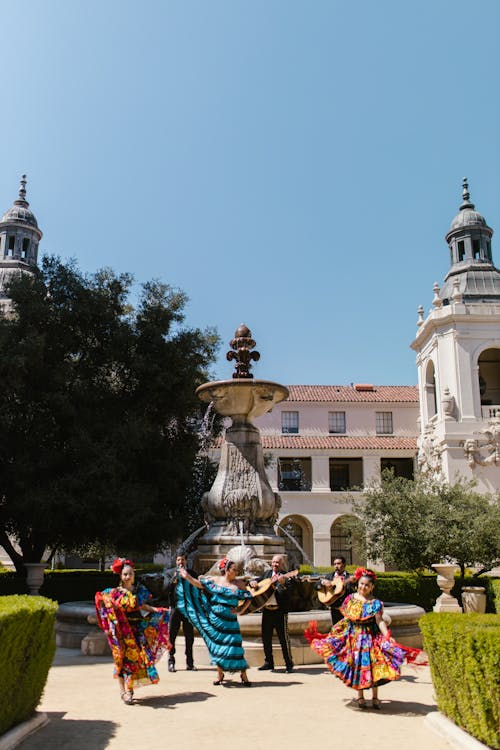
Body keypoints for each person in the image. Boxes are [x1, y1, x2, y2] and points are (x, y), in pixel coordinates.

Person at [306, 567, 411, 710]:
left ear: (372, 587)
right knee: (357, 666)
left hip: (370, 637)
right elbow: (346, 618)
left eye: (367, 585)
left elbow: (379, 621)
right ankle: (360, 697)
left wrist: (387, 635)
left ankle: (375, 697)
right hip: (354, 638)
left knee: (374, 666)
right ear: (358, 584)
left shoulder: (375, 603)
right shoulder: (350, 599)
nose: (364, 587)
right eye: (362, 584)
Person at [95, 557, 170, 705]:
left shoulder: (139, 591)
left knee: (137, 660)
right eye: (125, 574)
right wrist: (109, 624)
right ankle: (124, 692)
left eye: (130, 574)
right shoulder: (115, 593)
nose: (128, 577)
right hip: (121, 632)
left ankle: (129, 690)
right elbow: (105, 606)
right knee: (122, 661)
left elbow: (142, 606)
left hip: (137, 630)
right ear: (120, 576)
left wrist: (158, 610)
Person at [177, 557, 253, 686]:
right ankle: (219, 674)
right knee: (217, 647)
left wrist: (240, 609)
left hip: (230, 621)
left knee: (236, 647)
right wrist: (187, 576)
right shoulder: (215, 580)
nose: (237, 572)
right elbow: (199, 584)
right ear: (227, 570)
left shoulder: (239, 584)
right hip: (215, 620)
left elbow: (249, 598)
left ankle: (243, 674)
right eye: (234, 570)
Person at [252, 554, 295, 673]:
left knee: (284, 639)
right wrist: (253, 583)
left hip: (279, 612)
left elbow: (289, 594)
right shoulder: (266, 574)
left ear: (282, 564)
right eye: (273, 562)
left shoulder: (286, 577)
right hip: (267, 611)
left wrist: (281, 584)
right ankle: (268, 662)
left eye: (277, 562)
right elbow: (258, 581)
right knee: (266, 638)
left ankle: (289, 663)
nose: (275, 564)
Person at [162, 552, 197, 672]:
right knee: (172, 636)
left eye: (182, 560)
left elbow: (197, 589)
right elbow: (165, 589)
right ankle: (171, 661)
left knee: (189, 637)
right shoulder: (170, 573)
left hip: (188, 610)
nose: (180, 562)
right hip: (175, 609)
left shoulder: (192, 574)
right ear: (176, 562)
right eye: (178, 560)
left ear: (186, 561)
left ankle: (190, 663)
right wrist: (174, 578)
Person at [320, 556, 357, 626]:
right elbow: (316, 586)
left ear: (344, 565)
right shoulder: (329, 576)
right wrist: (323, 582)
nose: (336, 566)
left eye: (338, 564)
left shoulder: (350, 577)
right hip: (334, 610)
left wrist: (354, 582)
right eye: (334, 564)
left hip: (347, 610)